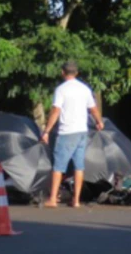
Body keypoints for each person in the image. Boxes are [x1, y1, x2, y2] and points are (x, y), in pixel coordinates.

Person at [41, 61, 103, 208]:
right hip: (82, 131)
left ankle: (52, 199)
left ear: (63, 72)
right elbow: (93, 108)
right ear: (76, 73)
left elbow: (56, 111)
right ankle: (76, 200)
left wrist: (46, 131)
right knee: (79, 166)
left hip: (67, 132)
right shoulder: (85, 89)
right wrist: (99, 121)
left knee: (58, 166)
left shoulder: (61, 90)